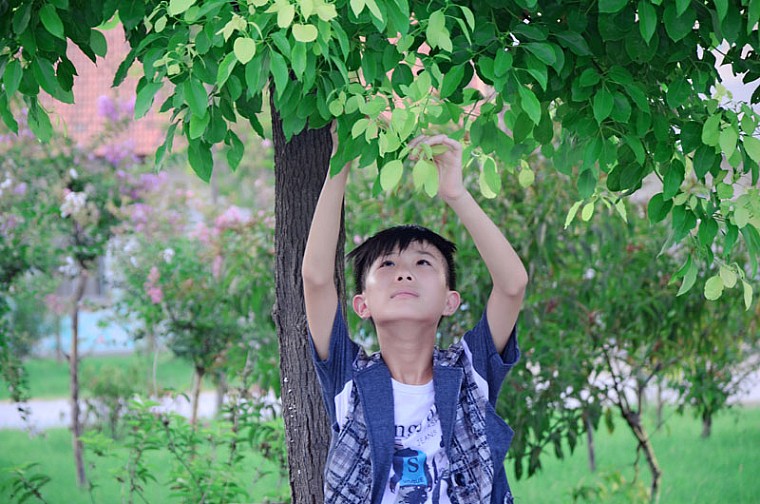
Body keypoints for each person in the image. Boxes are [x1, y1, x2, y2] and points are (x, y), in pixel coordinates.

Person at [302, 128, 528, 504]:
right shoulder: (349, 377)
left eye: (423, 263)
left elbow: (512, 285)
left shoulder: (470, 372)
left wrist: (456, 194)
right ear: (362, 304)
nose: (404, 274)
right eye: (387, 264)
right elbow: (316, 279)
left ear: (450, 301)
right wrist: (340, 161)